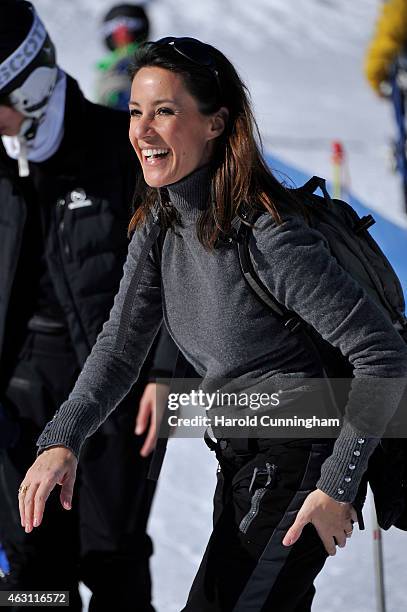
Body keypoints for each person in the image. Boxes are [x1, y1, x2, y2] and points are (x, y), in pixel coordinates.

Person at [20, 36, 407, 611]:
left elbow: (382, 355)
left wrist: (336, 484)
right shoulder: (161, 224)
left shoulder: (269, 237)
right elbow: (120, 347)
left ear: (216, 123)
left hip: (303, 455)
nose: (142, 130)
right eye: (135, 111)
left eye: (165, 112)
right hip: (240, 453)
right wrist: (64, 437)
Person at [0, 2, 173, 610]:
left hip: (118, 384)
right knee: (31, 571)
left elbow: (180, 267)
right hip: (22, 386)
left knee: (114, 556)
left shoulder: (117, 147)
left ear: (28, 87)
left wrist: (169, 373)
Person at [95, 3, 150, 110]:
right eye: (114, 26)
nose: (122, 32)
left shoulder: (140, 59)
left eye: (130, 24)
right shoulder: (107, 64)